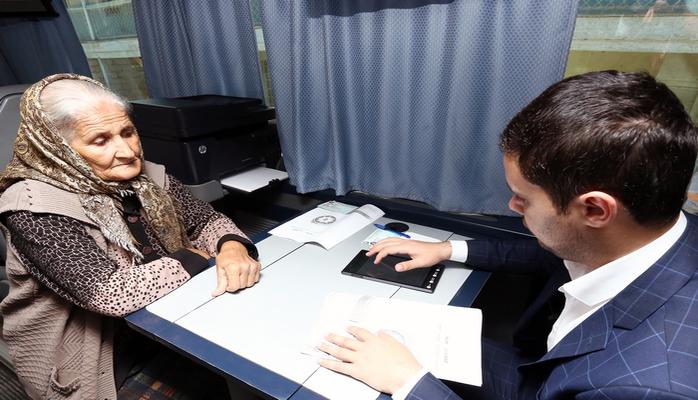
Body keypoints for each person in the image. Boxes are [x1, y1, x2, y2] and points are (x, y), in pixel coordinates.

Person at [317, 71, 698, 399]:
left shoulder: (646, 385)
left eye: (523, 198)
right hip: (534, 372)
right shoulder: (648, 235)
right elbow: (550, 254)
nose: (513, 206)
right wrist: (447, 249)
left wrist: (410, 383)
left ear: (595, 210)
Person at [0, 74, 261, 400]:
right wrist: (192, 258)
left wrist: (231, 245)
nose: (126, 151)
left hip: (165, 311)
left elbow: (205, 220)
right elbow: (110, 293)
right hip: (102, 354)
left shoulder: (147, 176)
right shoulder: (32, 207)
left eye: (127, 132)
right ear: (58, 148)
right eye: (100, 141)